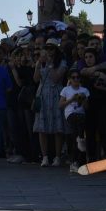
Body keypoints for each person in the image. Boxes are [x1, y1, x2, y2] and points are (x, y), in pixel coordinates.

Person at [33, 39, 67, 167]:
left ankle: (57, 157)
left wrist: (50, 64)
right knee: (42, 127)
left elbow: (56, 78)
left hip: (56, 94)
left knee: (58, 127)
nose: (49, 51)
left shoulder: (61, 62)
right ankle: (45, 157)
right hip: (42, 94)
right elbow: (36, 79)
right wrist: (38, 65)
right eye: (46, 48)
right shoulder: (41, 62)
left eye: (51, 48)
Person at [59, 70, 89, 172]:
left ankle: (76, 161)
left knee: (78, 136)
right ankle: (75, 161)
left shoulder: (84, 90)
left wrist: (83, 100)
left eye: (77, 77)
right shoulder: (66, 90)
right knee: (78, 134)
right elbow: (60, 105)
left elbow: (86, 107)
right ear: (70, 79)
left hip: (81, 114)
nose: (76, 79)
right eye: (73, 77)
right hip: (71, 114)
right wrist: (72, 99)